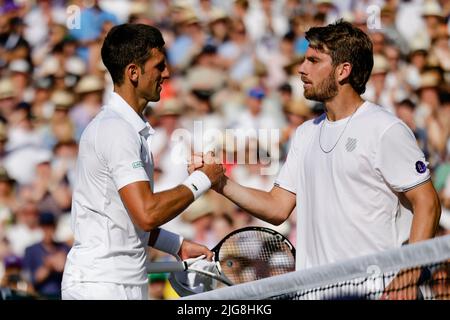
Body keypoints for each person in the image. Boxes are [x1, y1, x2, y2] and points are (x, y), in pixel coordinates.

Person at [204, 20, 441, 298]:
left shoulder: (385, 128)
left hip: (375, 292)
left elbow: (428, 202)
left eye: (313, 60)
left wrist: (409, 275)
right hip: (314, 293)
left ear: (343, 70)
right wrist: (220, 182)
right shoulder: (305, 133)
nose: (302, 69)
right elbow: (277, 207)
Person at [61, 24, 224, 300]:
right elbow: (146, 213)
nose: (167, 73)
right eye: (159, 66)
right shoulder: (117, 130)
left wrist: (177, 244)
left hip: (118, 283)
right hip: (101, 286)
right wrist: (203, 179)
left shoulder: (125, 128)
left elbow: (123, 218)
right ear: (133, 72)